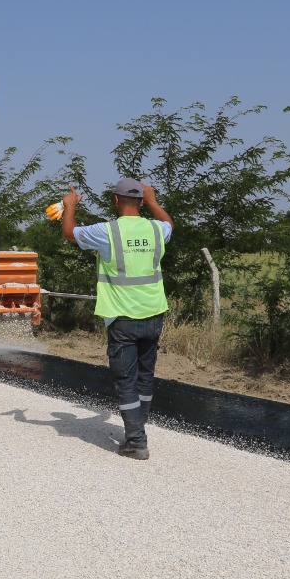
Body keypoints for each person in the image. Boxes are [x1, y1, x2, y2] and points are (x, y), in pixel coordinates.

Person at [61, 178, 172, 459]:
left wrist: (69, 206)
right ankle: (137, 428)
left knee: (126, 379)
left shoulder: (107, 231)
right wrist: (155, 202)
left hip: (123, 316)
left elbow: (69, 232)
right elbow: (169, 224)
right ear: (141, 201)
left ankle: (136, 441)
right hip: (154, 313)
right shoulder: (156, 229)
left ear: (116, 201)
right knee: (145, 378)